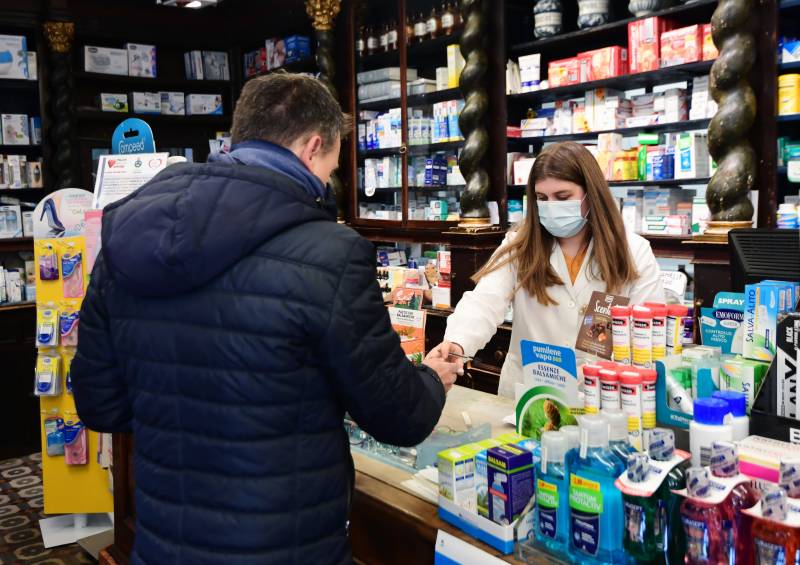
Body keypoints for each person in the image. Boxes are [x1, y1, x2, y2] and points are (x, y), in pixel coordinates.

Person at [71, 73, 462, 565]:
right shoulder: (330, 254)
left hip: (165, 541)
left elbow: (100, 404)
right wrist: (432, 379)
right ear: (313, 146)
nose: (328, 182)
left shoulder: (127, 237)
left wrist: (181, 414)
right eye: (332, 166)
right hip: (288, 544)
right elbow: (399, 415)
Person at [431, 141, 665, 398]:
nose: (551, 206)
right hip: (528, 395)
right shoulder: (520, 245)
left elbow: (649, 334)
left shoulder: (633, 251)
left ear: (591, 194)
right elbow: (485, 301)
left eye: (562, 197)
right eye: (542, 198)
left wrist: (614, 377)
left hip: (602, 396)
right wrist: (458, 342)